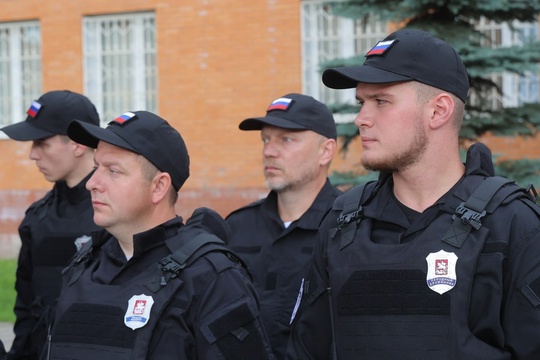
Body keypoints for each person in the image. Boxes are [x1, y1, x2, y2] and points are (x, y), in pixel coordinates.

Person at [287, 28, 540, 360]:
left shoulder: (514, 225)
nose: (361, 119)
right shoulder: (340, 224)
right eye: (362, 103)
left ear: (438, 111)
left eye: (381, 101)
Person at [44, 110, 275, 359]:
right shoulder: (83, 266)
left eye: (113, 170)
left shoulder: (213, 279)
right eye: (96, 167)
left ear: (159, 187)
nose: (92, 183)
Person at [226, 93, 342, 359]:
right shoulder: (237, 227)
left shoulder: (346, 226)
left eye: (286, 139)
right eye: (265, 140)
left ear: (325, 151)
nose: (269, 151)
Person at [1, 90, 101, 360]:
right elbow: (27, 308)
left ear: (78, 144)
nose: (33, 155)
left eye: (42, 143)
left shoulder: (117, 216)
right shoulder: (37, 218)